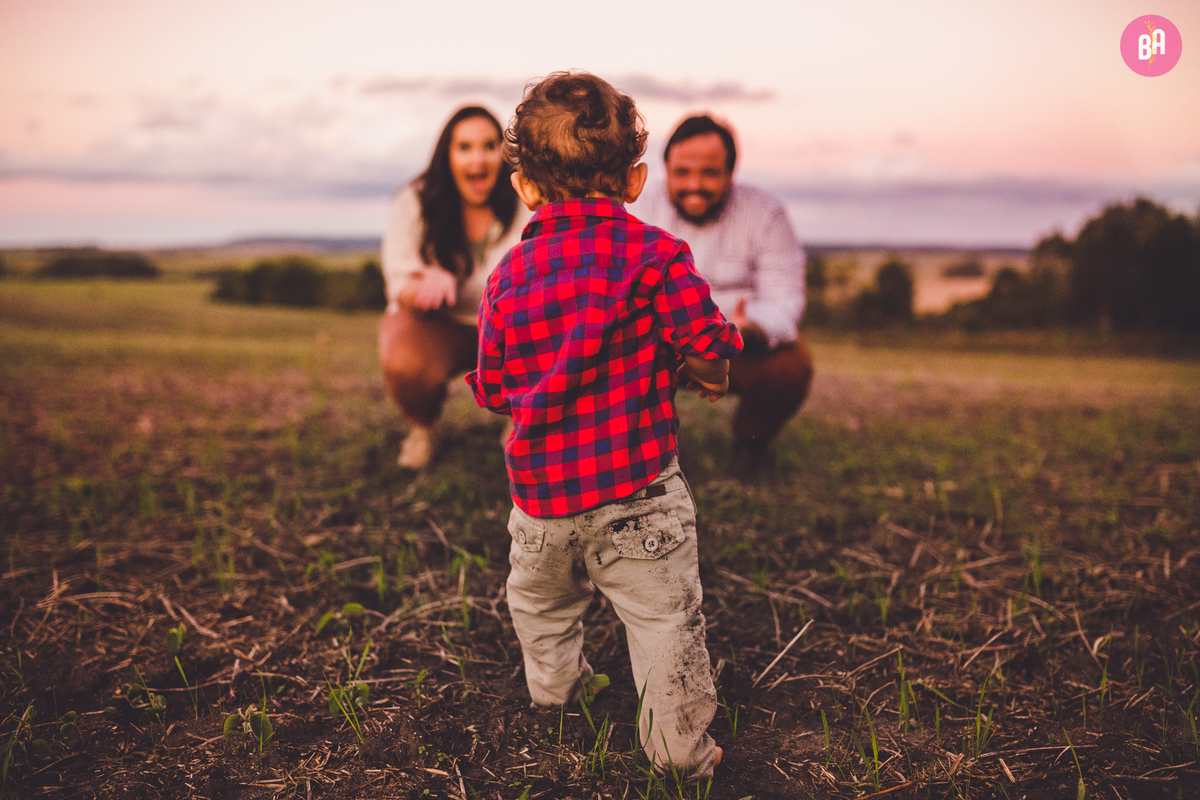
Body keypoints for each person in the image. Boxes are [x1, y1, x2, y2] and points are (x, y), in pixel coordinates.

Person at [467, 71, 742, 778]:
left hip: (541, 508)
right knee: (663, 624)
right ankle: (680, 754)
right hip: (638, 497)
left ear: (525, 185)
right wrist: (709, 376)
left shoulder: (507, 277)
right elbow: (708, 344)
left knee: (542, 609)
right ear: (635, 178)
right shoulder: (655, 255)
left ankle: (558, 697)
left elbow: (495, 387)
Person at [635, 114, 814, 460]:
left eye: (709, 173)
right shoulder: (639, 205)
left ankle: (750, 442)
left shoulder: (766, 213)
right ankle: (626, 451)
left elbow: (786, 298)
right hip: (651, 338)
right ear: (666, 169)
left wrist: (748, 330)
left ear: (731, 173)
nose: (694, 185)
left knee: (789, 367)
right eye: (682, 172)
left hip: (735, 339)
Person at [379, 106, 531, 469]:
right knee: (403, 358)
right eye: (464, 147)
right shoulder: (414, 201)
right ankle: (421, 426)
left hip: (510, 327)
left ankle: (523, 418)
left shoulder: (528, 198)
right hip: (440, 323)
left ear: (505, 153)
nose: (477, 159)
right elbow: (398, 280)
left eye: (489, 145)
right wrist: (424, 284)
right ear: (447, 155)